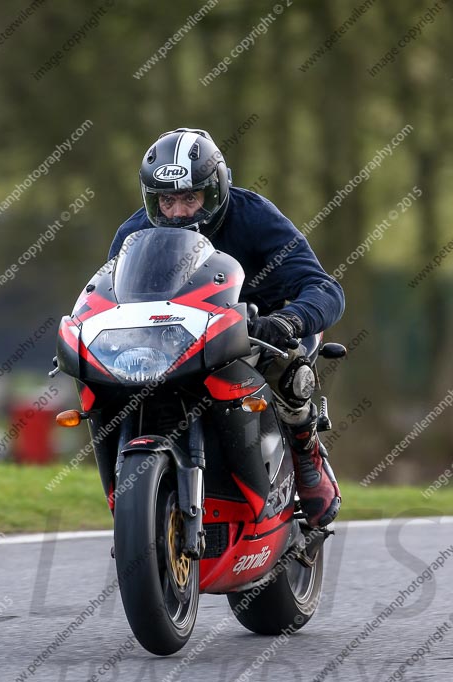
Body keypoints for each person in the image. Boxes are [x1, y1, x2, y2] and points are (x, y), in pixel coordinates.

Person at [108, 127, 345, 529]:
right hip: (169, 342)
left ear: (215, 189)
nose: (178, 211)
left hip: (256, 330)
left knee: (288, 366)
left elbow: (324, 287)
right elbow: (107, 296)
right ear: (153, 199)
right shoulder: (133, 235)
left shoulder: (254, 217)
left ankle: (306, 452)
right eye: (167, 200)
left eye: (190, 197)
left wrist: (286, 320)